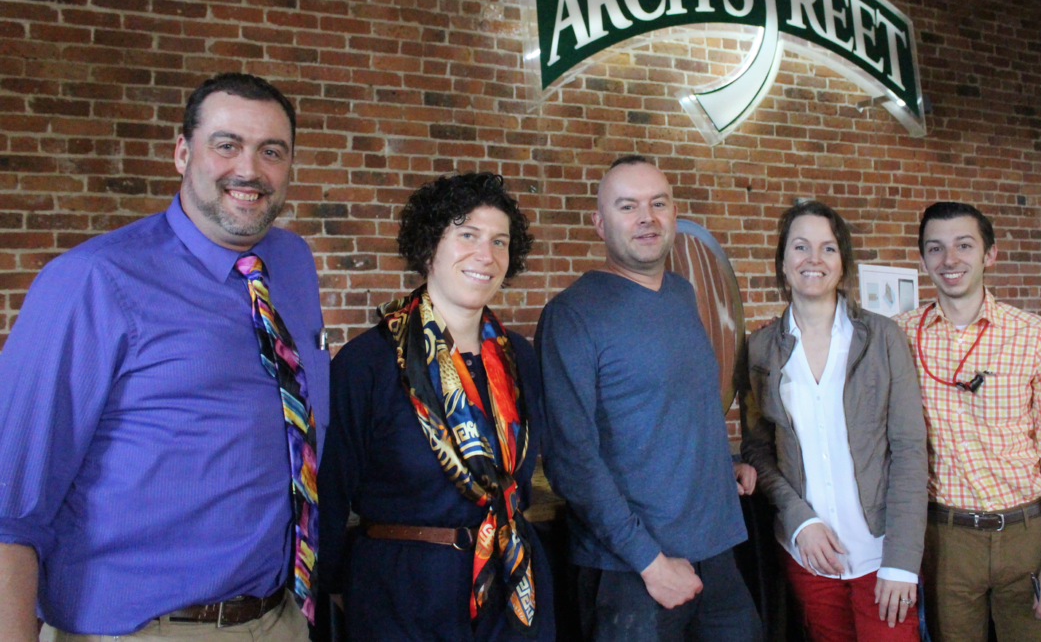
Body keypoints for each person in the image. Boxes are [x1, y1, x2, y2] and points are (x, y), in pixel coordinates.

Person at [0, 73, 328, 641]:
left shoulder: (293, 264)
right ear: (182, 153)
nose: (248, 169)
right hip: (145, 629)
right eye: (226, 144)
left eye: (271, 151)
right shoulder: (91, 282)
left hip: (282, 617)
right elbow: (9, 512)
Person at [317, 172, 554, 642]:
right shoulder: (369, 362)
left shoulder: (519, 358)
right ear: (429, 246)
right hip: (404, 592)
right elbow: (328, 493)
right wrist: (335, 589)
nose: (485, 255)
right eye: (467, 235)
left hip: (512, 587)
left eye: (499, 241)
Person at [536, 155, 761, 642]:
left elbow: (677, 409)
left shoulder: (681, 293)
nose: (647, 217)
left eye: (658, 203)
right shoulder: (572, 314)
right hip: (632, 572)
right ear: (599, 223)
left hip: (716, 551)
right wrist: (650, 562)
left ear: (673, 213)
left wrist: (723, 465)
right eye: (628, 206)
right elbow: (570, 458)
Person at [891, 202, 1041, 642]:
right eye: (935, 249)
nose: (949, 260)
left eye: (963, 245)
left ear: (989, 254)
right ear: (922, 260)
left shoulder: (1033, 333)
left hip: (1028, 534)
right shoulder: (897, 334)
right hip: (945, 539)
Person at [738, 200, 928, 642]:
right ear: (783, 263)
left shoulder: (884, 338)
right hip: (808, 557)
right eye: (800, 247)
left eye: (827, 249)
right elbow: (758, 451)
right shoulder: (761, 349)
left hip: (883, 557)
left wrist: (902, 561)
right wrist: (800, 521)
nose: (813, 260)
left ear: (843, 264)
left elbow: (909, 451)